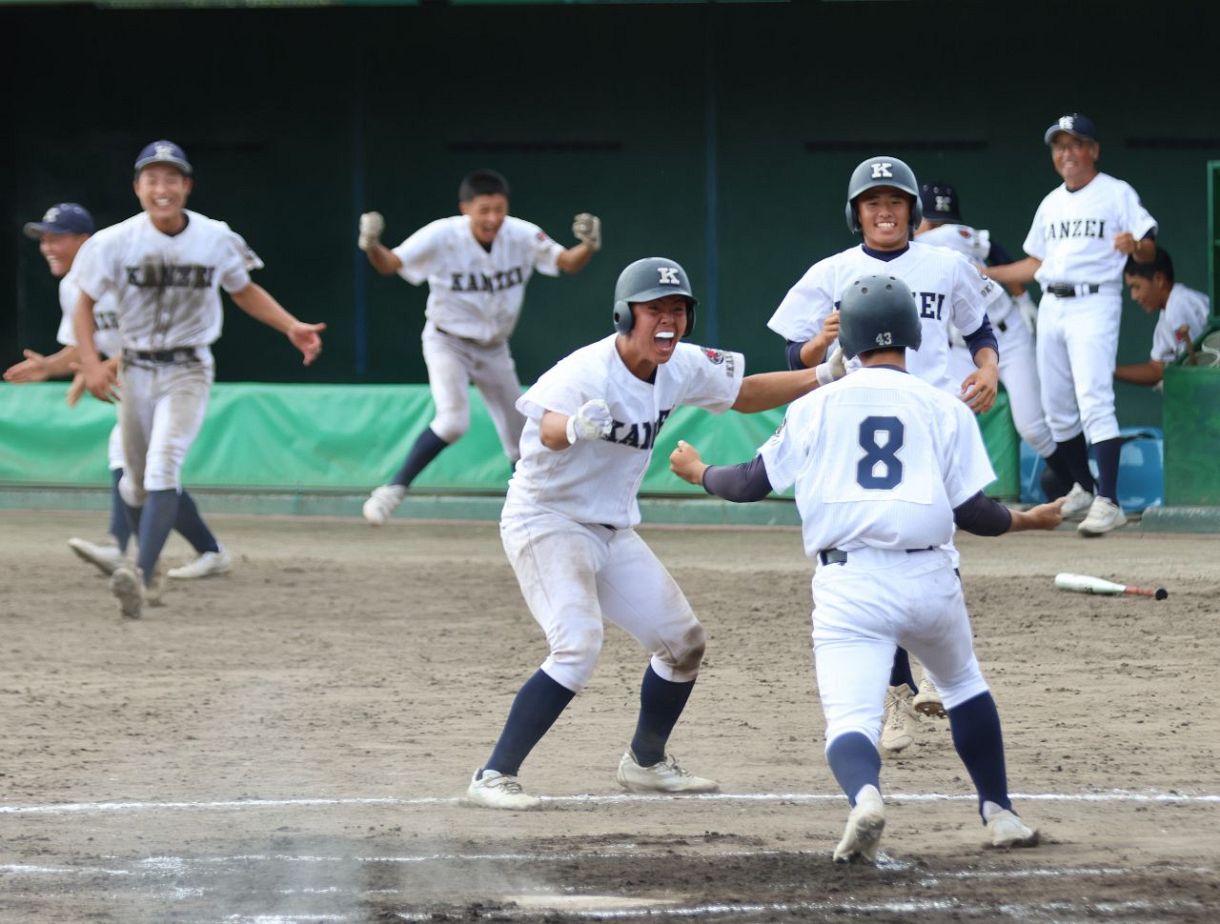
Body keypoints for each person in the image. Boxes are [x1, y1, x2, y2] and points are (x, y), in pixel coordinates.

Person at [671, 273, 1064, 861]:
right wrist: (1029, 521)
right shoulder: (944, 407)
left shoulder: (817, 403)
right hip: (931, 577)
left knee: (851, 720)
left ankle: (865, 797)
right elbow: (974, 514)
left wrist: (700, 471)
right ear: (910, 334)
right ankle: (1000, 813)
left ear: (845, 341)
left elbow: (750, 483)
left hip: (849, 583)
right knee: (962, 686)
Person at [463, 256, 847, 810]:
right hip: (546, 519)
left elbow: (745, 393)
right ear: (625, 314)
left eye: (678, 309)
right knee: (576, 645)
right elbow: (544, 427)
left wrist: (824, 375)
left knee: (682, 643)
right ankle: (493, 774)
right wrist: (572, 427)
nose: (668, 320)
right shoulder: (587, 369)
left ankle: (645, 762)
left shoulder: (682, 364)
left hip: (611, 528)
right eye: (654, 310)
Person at [767, 155, 1006, 754]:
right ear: (856, 214)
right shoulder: (832, 271)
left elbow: (980, 330)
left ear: (912, 211)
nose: (883, 211)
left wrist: (989, 367)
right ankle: (899, 695)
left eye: (894, 201)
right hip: (861, 422)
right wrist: (817, 345)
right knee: (881, 550)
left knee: (938, 542)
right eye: (872, 203)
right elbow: (795, 350)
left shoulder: (947, 265)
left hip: (929, 419)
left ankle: (927, 674)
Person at [74, 140, 325, 618]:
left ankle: (141, 577)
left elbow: (243, 289)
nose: (162, 188)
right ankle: (145, 570)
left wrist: (291, 325)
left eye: (172, 178)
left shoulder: (215, 237)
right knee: (134, 484)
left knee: (163, 465)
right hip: (137, 366)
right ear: (137, 188)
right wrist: (88, 361)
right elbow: (84, 301)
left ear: (187, 186)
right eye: (152, 179)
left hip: (188, 367)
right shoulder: (113, 241)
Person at [355, 170, 600, 525]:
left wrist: (589, 247)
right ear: (465, 208)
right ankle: (392, 489)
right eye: (484, 210)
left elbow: (566, 262)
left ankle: (535, 510)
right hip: (447, 341)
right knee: (453, 421)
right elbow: (392, 264)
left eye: (499, 209)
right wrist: (372, 245)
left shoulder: (520, 233)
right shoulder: (442, 234)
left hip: (494, 347)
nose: (492, 218)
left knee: (521, 436)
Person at [6, 203, 233, 584]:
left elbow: (158, 335)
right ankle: (196, 551)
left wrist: (103, 366)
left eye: (56, 238)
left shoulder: (125, 271)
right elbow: (83, 346)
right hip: (137, 385)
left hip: (173, 377)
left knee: (153, 466)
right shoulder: (70, 288)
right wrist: (50, 366)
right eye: (43, 239)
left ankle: (131, 552)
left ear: (87, 241)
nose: (47, 247)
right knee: (142, 469)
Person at [985, 112, 1157, 537]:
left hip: (1094, 301)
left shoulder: (1116, 193)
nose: (1067, 153)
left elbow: (1151, 248)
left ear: (1093, 150)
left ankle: (1109, 501)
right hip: (1053, 305)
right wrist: (985, 273)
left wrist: (1136, 247)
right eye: (1059, 146)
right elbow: (1034, 264)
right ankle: (1083, 485)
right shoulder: (1051, 203)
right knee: (1057, 407)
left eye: (1075, 144)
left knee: (1094, 398)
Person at [915, 180, 1061, 475]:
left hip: (1004, 341)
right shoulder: (956, 236)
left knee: (1030, 427)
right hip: (963, 348)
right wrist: (1022, 298)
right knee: (948, 419)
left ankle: (1076, 482)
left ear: (923, 220)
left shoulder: (934, 239)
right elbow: (997, 250)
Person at [1116, 247, 1210, 389]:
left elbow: (1203, 363)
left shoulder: (1179, 303)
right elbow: (1157, 370)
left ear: (1159, 279)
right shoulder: (1167, 314)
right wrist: (1109, 370)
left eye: (1136, 287)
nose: (1134, 296)